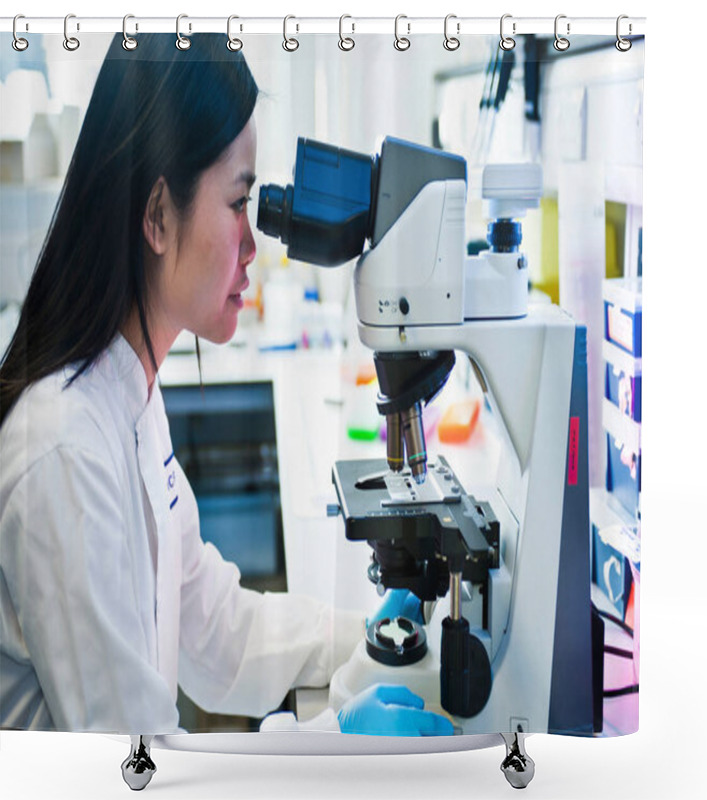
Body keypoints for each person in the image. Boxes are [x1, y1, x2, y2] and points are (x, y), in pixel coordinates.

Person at [0, 32, 452, 737]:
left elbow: (211, 627)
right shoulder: (66, 452)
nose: (255, 240)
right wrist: (331, 746)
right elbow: (140, 763)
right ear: (157, 216)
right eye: (239, 202)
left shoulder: (130, 397)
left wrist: (365, 638)